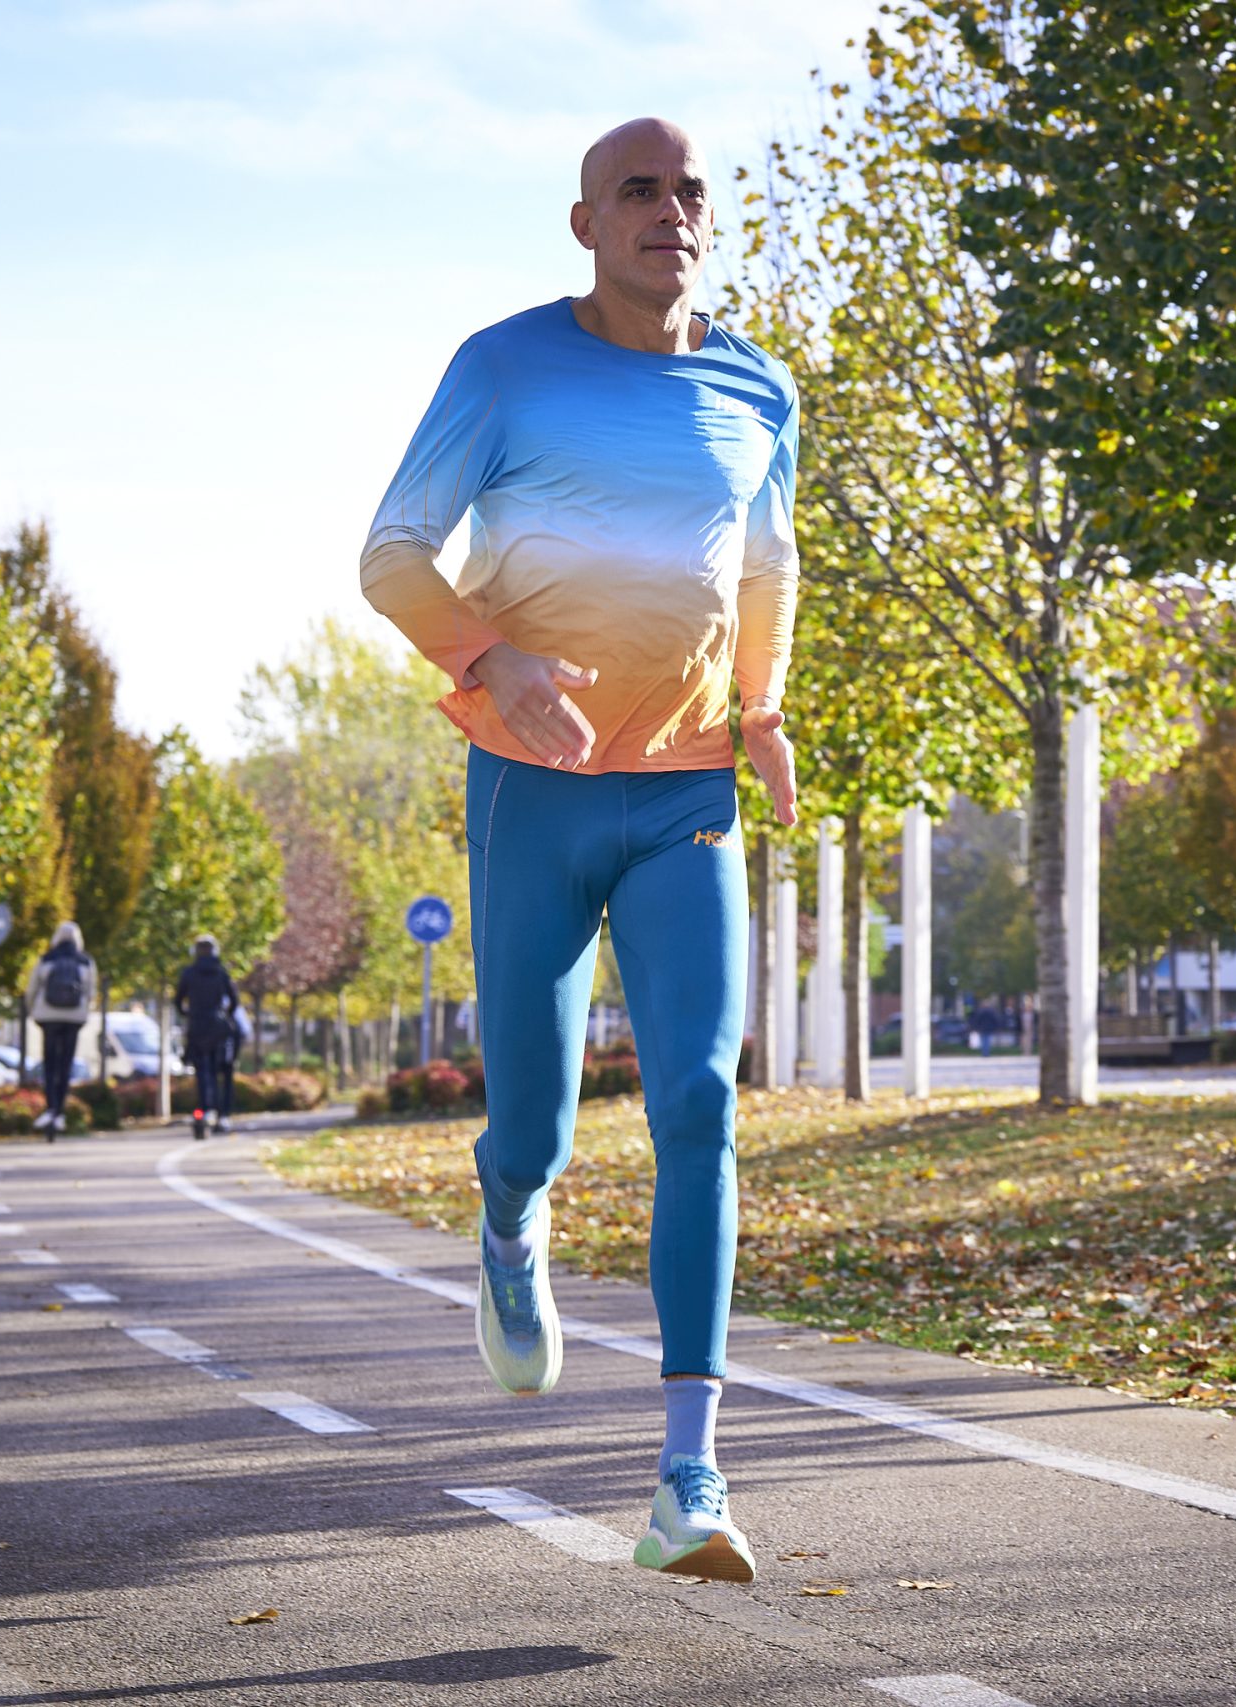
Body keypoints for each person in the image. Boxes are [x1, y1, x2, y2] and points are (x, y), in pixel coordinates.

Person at [359, 117, 798, 1585]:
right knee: (539, 1118)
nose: (668, 210)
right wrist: (494, 656)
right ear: (584, 222)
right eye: (637, 190)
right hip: (529, 784)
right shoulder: (505, 365)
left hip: (685, 792)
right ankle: (508, 1210)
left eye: (688, 191)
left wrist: (765, 709)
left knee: (698, 1101)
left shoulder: (759, 391)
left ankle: (689, 1474)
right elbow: (393, 551)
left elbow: (766, 566)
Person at [27, 922, 96, 1137]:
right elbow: (91, 992)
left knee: (50, 1063)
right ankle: (60, 1111)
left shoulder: (46, 958)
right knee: (66, 1064)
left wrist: (33, 1011)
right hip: (74, 1017)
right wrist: (85, 1012)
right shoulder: (86, 961)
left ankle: (50, 1107)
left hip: (48, 1017)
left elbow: (32, 989)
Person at [174, 935, 241, 1133]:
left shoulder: (189, 973)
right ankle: (223, 1115)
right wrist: (224, 1015)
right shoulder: (221, 973)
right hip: (218, 1029)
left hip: (197, 1028)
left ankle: (204, 1110)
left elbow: (178, 1001)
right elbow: (234, 1001)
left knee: (202, 1072)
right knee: (223, 1071)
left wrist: (189, 1013)